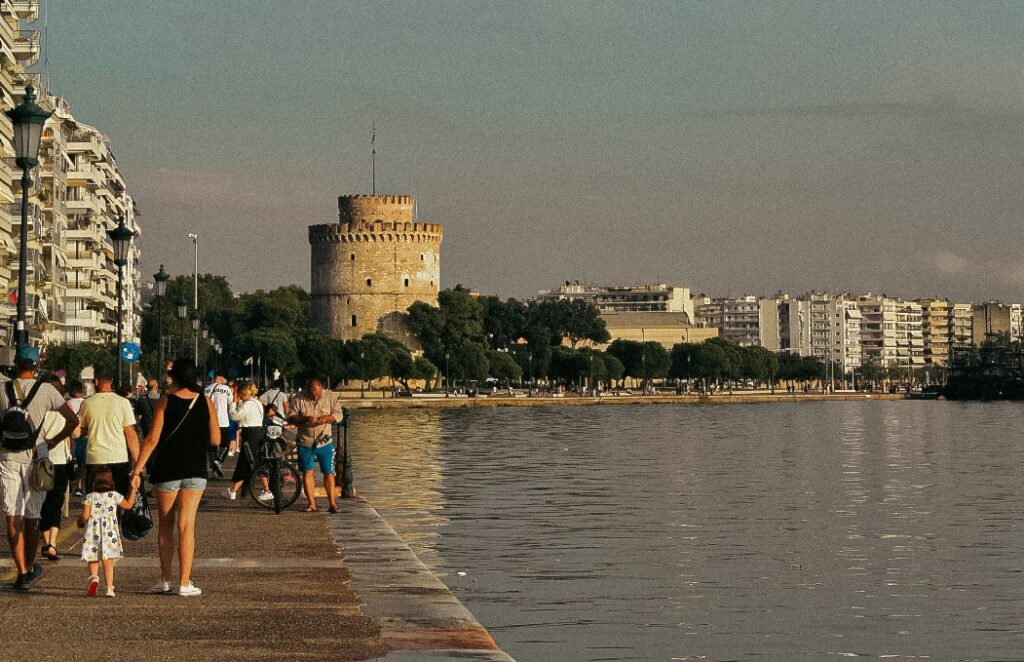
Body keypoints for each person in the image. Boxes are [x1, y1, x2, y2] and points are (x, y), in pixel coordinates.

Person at [131, 359, 219, 597]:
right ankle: (185, 582)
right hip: (195, 470)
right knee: (187, 525)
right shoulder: (206, 401)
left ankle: (165, 580)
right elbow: (216, 439)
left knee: (166, 525)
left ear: (176, 377)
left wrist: (137, 469)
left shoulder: (165, 402)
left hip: (167, 469)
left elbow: (151, 439)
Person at [0, 346, 78, 591]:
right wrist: (55, 440)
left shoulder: (2, 388)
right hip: (38, 457)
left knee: (12, 516)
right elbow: (73, 420)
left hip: (8, 456)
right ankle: (30, 567)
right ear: (36, 366)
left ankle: (21, 571)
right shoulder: (46, 390)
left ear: (16, 364)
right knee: (32, 516)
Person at [77, 465, 138, 597]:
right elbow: (128, 505)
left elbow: (85, 516)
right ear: (110, 481)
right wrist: (133, 489)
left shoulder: (90, 497)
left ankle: (94, 577)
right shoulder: (114, 495)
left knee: (92, 555)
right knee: (108, 558)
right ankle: (109, 588)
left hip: (93, 530)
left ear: (93, 482)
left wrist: (80, 521)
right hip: (109, 530)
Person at [79, 368, 140, 498]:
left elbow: (82, 431)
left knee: (95, 502)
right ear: (111, 381)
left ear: (96, 381)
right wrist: (138, 462)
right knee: (118, 500)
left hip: (95, 459)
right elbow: (131, 434)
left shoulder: (87, 403)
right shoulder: (123, 403)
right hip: (119, 458)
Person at [288, 378, 341, 513]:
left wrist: (326, 418)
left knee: (329, 473)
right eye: (311, 393)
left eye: (317, 393)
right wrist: (305, 419)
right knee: (307, 472)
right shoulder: (298, 398)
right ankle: (312, 504)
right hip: (305, 440)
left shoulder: (331, 396)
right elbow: (291, 416)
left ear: (321, 388)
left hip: (325, 441)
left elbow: (338, 415)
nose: (314, 396)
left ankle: (332, 504)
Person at [38, 373, 74, 562]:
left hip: (41, 460)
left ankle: (46, 542)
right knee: (56, 503)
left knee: (42, 504)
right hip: (60, 460)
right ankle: (52, 543)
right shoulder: (64, 410)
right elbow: (73, 431)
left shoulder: (39, 409)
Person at [226, 382, 265, 500]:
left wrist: (233, 404)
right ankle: (238, 490)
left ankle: (266, 488)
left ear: (242, 393)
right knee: (250, 462)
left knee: (248, 461)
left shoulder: (248, 404)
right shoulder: (257, 403)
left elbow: (234, 416)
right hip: (258, 432)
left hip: (250, 434)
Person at [203, 371, 232, 476]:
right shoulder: (226, 389)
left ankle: (214, 467)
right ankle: (218, 461)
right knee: (225, 444)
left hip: (210, 421)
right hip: (223, 421)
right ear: (220, 377)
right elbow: (230, 402)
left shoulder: (206, 389)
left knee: (212, 445)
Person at [66, 381, 87, 496]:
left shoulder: (67, 403)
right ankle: (79, 486)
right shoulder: (86, 403)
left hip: (71, 436)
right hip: (84, 435)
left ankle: (69, 485)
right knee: (82, 464)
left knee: (70, 461)